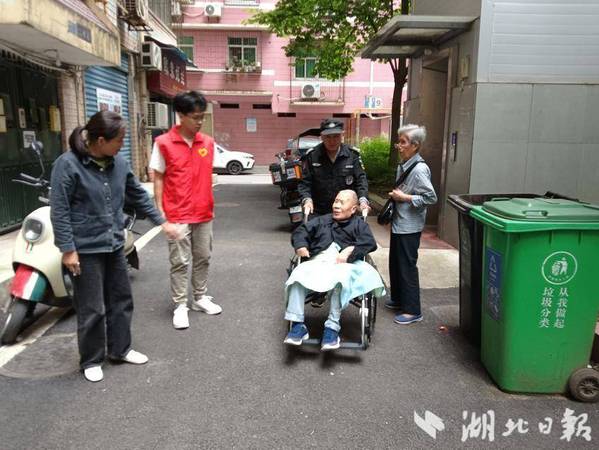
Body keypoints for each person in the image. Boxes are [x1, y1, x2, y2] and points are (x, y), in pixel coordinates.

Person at [50, 111, 178, 382]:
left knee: (121, 299)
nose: (122, 145)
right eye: (119, 140)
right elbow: (59, 210)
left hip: (114, 244)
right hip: (85, 249)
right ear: (100, 140)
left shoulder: (119, 163)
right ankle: (92, 359)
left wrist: (161, 222)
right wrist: (68, 249)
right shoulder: (68, 164)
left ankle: (120, 349)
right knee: (92, 307)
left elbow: (137, 195)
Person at [149, 91, 222, 330]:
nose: (200, 121)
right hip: (177, 213)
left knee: (203, 257)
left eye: (202, 116)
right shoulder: (163, 143)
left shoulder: (207, 143)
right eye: (195, 117)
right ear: (180, 115)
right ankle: (180, 305)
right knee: (179, 262)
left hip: (203, 213)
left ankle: (199, 297)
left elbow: (208, 175)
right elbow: (158, 177)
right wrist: (161, 213)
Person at [284, 190, 384, 350]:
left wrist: (351, 250)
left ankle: (332, 328)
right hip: (319, 261)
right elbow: (301, 231)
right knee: (297, 275)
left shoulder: (359, 224)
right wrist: (301, 245)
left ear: (353, 209)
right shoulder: (321, 220)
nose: (336, 205)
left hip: (346, 265)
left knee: (340, 279)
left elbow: (369, 243)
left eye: (342, 202)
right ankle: (297, 325)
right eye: (336, 201)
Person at [385, 124, 437, 325]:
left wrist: (405, 197)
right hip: (400, 223)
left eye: (403, 142)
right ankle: (399, 299)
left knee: (407, 266)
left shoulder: (419, 169)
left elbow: (431, 197)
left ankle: (412, 310)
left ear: (415, 145)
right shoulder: (405, 164)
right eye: (398, 141)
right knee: (396, 263)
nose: (399, 146)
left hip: (410, 226)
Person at [298, 118, 370, 217]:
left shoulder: (352, 155)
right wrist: (307, 200)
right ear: (322, 137)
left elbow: (361, 180)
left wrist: (363, 200)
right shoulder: (312, 156)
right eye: (328, 137)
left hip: (345, 212)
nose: (332, 141)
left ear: (342, 135)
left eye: (336, 136)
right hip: (318, 211)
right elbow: (305, 183)